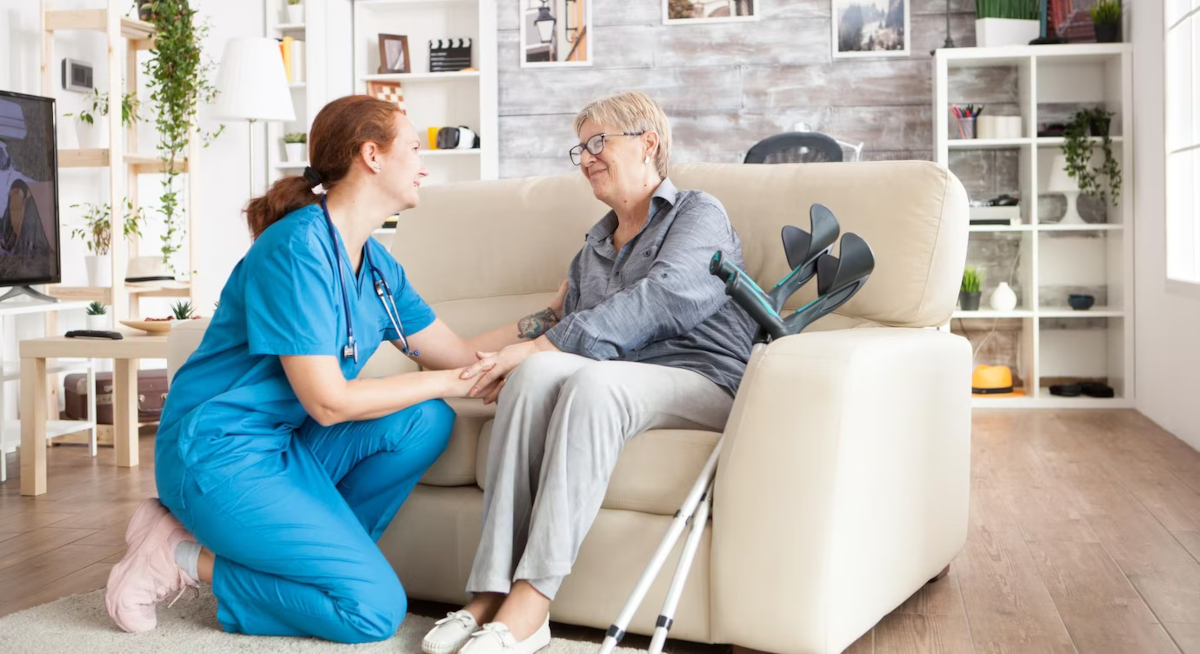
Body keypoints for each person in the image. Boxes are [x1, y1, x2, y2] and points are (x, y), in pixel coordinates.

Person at [103, 95, 567, 645]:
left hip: (285, 446)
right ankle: (178, 555)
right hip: (217, 452)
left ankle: (319, 567)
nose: (424, 164)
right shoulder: (295, 250)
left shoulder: (375, 264)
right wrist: (447, 381)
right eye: (414, 149)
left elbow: (460, 356)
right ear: (372, 155)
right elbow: (328, 401)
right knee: (371, 613)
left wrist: (551, 322)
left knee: (425, 420)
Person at [421, 91, 757, 654]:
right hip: (620, 381)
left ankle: (532, 603)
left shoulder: (699, 213)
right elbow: (548, 329)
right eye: (579, 149)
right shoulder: (592, 251)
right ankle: (487, 593)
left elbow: (667, 297)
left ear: (648, 142)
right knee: (532, 378)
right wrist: (457, 360)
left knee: (584, 378)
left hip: (704, 379)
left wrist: (544, 347)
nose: (585, 159)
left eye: (598, 142)